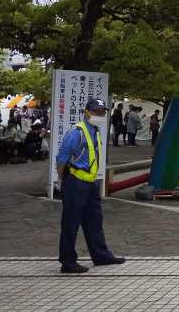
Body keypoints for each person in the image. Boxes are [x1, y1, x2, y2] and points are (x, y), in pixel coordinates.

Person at [56, 98, 125, 273]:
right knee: (71, 222)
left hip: (90, 183)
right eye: (96, 112)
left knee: (94, 220)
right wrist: (60, 179)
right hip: (75, 181)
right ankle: (67, 261)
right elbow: (62, 158)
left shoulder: (94, 131)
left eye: (102, 112)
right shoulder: (77, 132)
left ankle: (101, 255)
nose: (100, 115)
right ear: (86, 112)